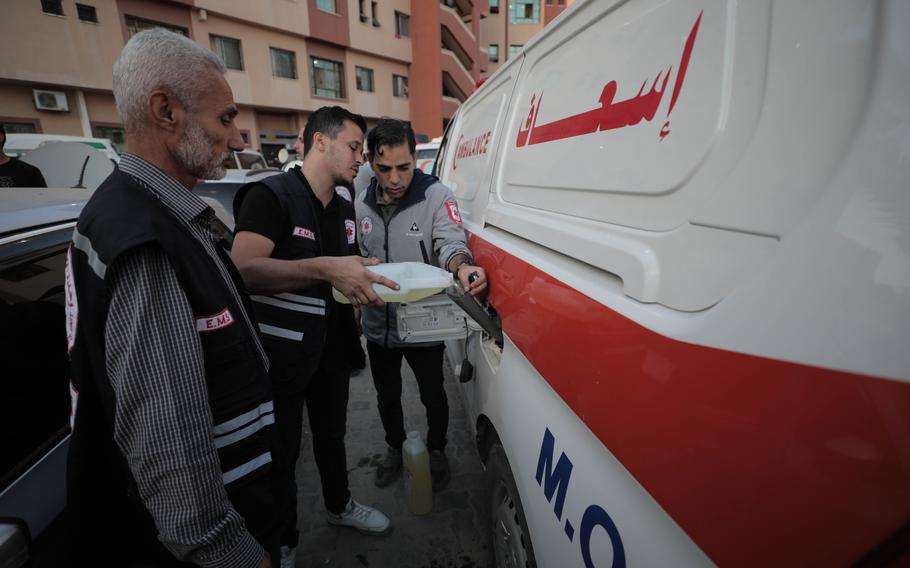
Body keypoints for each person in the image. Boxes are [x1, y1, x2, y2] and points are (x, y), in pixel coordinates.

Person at [65, 29, 282, 567]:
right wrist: (226, 551)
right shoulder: (143, 238)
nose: (235, 140)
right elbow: (168, 439)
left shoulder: (147, 213)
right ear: (166, 111)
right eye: (225, 118)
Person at [230, 106, 398, 567]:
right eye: (353, 147)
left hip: (334, 348)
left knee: (332, 437)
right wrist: (325, 268)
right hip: (280, 356)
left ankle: (340, 505)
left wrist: (365, 283)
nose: (360, 159)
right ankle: (282, 538)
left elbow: (344, 270)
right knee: (280, 453)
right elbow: (242, 269)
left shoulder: (346, 205)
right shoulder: (270, 195)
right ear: (319, 142)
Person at [354, 118, 487, 492]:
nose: (394, 179)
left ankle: (438, 449)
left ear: (415, 158)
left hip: (422, 322)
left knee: (433, 393)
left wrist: (461, 267)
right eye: (384, 169)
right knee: (386, 394)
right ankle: (394, 449)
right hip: (378, 323)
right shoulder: (361, 196)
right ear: (370, 162)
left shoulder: (436, 196)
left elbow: (449, 242)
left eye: (404, 167)